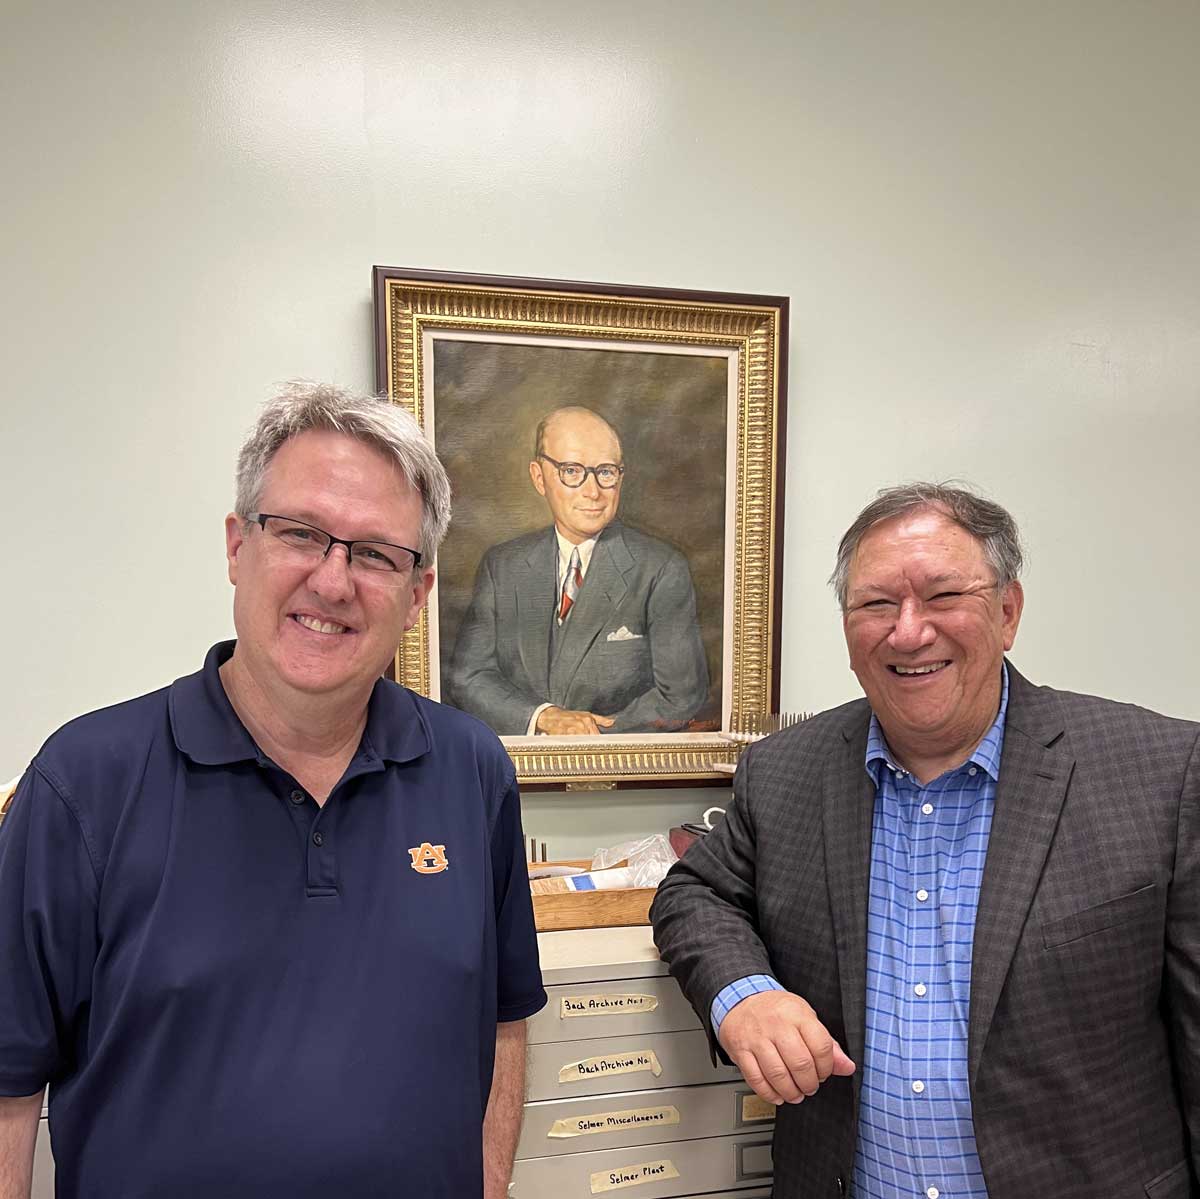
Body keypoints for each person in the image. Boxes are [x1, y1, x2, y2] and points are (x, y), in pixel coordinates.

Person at [0, 383, 547, 1199]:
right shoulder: (83, 783)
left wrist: (491, 1182)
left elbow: (503, 1017)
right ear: (237, 546)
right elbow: (8, 1081)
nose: (333, 581)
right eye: (301, 534)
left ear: (416, 595)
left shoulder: (471, 770)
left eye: (375, 553)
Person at [651, 482, 1199, 1199]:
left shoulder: (1160, 773)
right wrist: (744, 996)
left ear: (1008, 611)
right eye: (877, 604)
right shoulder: (786, 770)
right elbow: (695, 892)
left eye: (943, 596)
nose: (908, 632)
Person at [448, 405, 709, 735]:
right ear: (539, 477)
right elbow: (469, 677)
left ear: (621, 477)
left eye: (606, 472)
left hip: (615, 759)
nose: (593, 491)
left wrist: (586, 737)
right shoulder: (503, 566)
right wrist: (543, 717)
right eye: (571, 471)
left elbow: (681, 697)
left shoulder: (661, 569)